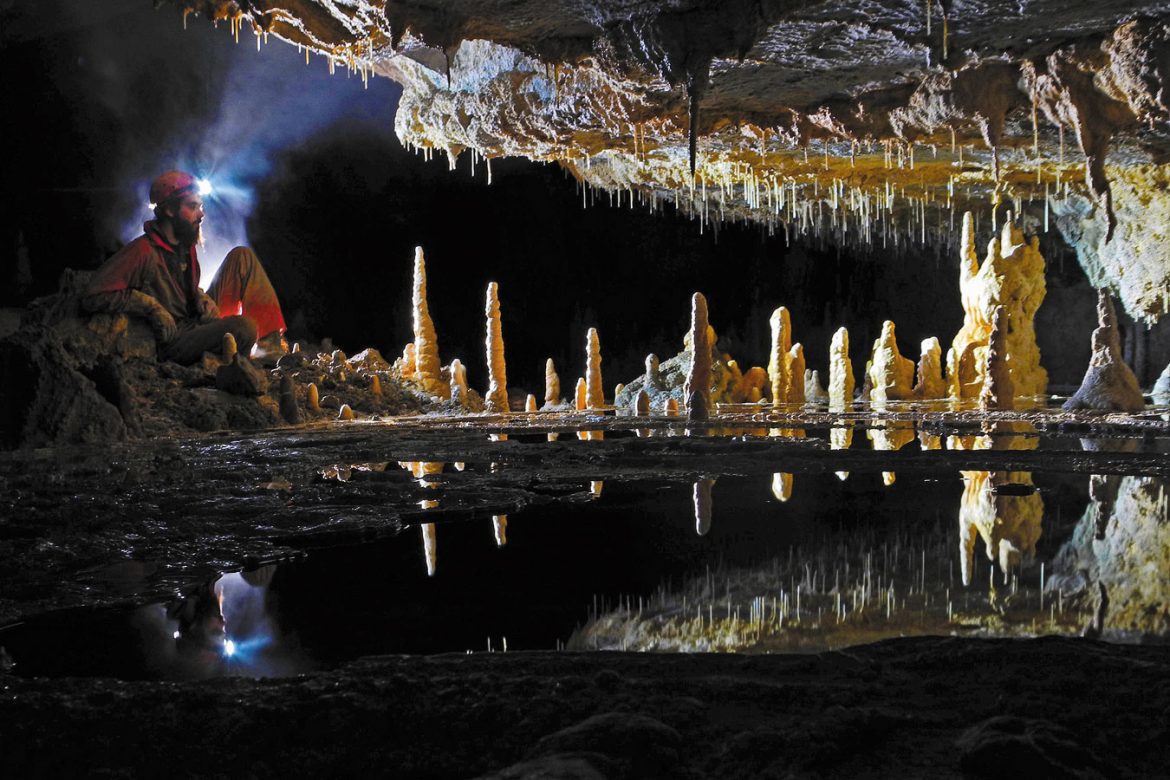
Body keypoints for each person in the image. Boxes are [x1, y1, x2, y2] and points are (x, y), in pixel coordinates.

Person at [83, 170, 287, 364]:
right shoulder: (143, 251)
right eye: (192, 207)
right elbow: (93, 296)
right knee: (244, 327)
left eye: (200, 206)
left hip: (195, 321)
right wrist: (150, 307)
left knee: (243, 257)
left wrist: (201, 298)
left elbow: (182, 291)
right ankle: (231, 354)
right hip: (175, 338)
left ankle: (269, 348)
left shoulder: (184, 246)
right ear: (170, 210)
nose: (201, 214)